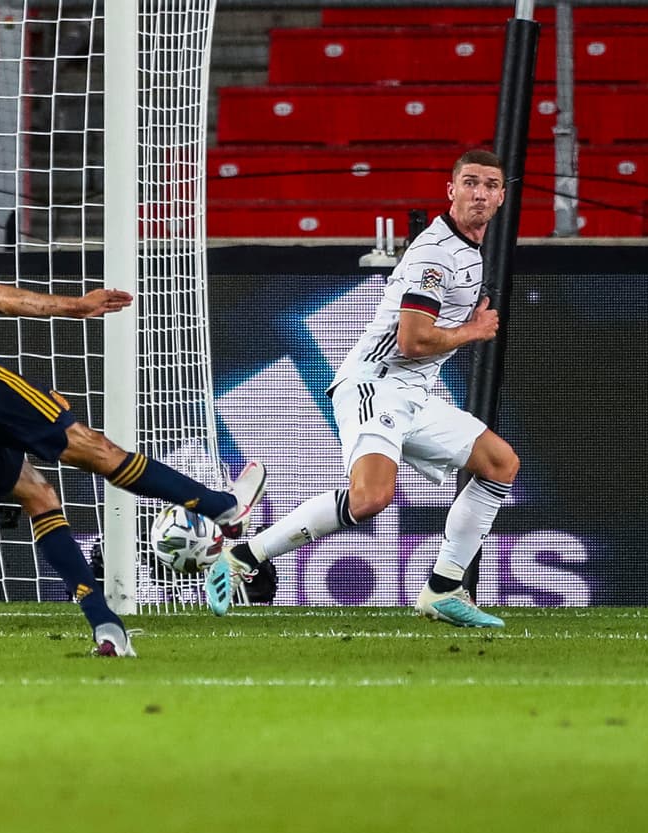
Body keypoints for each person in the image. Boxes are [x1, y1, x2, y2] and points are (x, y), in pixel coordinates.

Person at [0, 126, 267, 656]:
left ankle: (105, 626)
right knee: (91, 447)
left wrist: (76, 306)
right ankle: (222, 507)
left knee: (38, 494)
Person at [207, 149, 519, 629]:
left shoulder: (469, 252)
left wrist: (465, 326)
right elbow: (412, 340)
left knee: (499, 463)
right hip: (375, 384)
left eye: (490, 185)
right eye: (471, 182)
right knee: (371, 497)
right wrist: (473, 331)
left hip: (413, 394)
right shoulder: (436, 253)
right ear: (451, 189)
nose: (480, 193)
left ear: (501, 197)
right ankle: (244, 555)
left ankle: (442, 588)